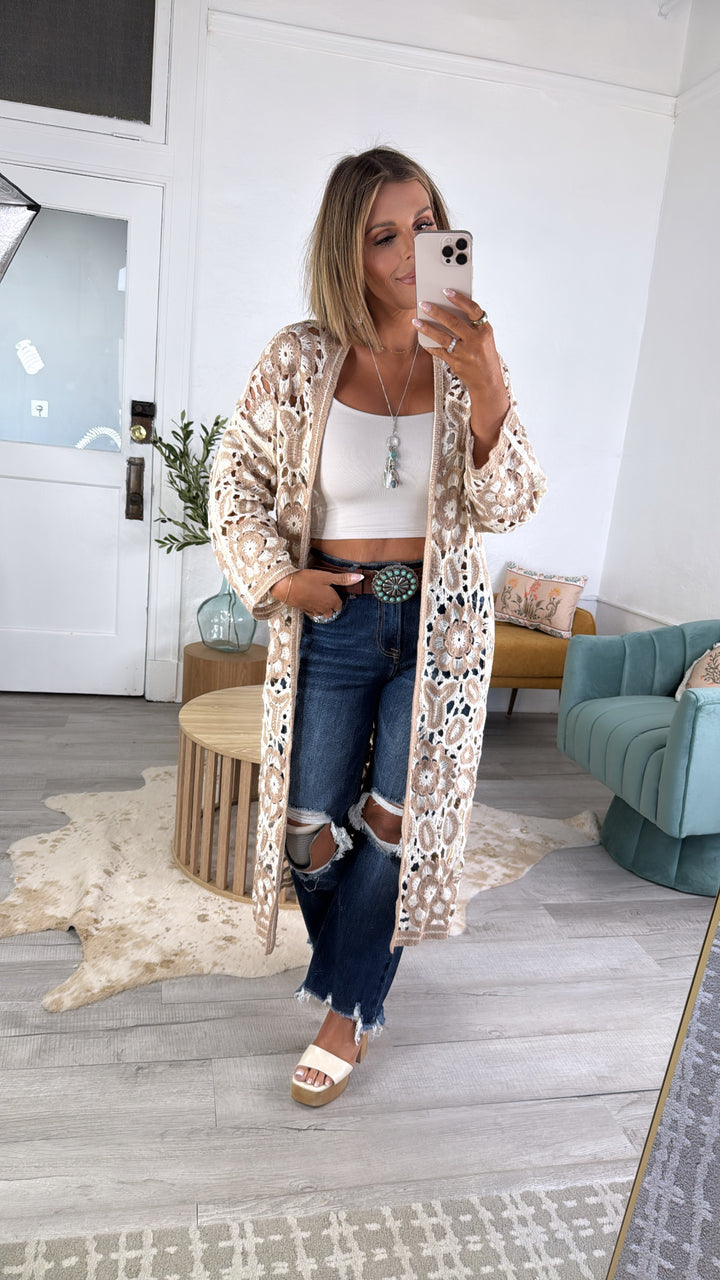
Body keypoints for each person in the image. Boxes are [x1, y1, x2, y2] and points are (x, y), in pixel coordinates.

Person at [209, 147, 546, 1106]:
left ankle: (345, 1013)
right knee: (309, 831)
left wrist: (488, 387)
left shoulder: (469, 355)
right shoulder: (299, 357)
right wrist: (284, 581)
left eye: (424, 227)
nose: (408, 253)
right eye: (383, 235)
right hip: (336, 616)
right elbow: (234, 479)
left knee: (397, 824)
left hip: (441, 629)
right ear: (346, 251)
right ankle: (355, 972)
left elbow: (510, 503)